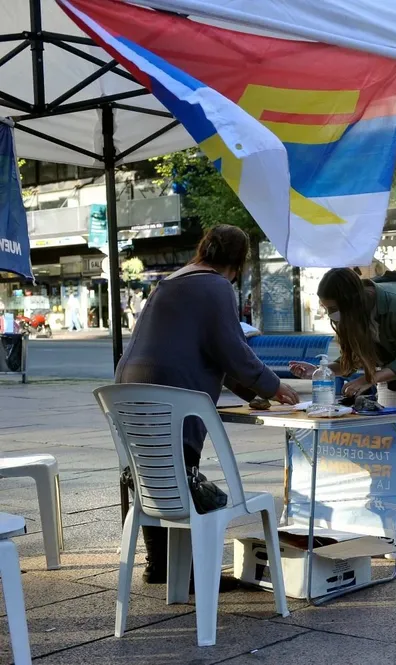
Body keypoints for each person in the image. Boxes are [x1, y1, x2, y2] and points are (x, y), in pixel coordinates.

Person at [115, 224, 299, 584]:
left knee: (150, 473)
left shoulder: (171, 281)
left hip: (127, 390)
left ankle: (160, 564)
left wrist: (254, 394)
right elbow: (233, 350)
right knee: (181, 471)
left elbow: (211, 353)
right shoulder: (216, 286)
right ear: (239, 262)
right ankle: (190, 574)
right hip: (171, 391)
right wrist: (275, 386)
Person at [289, 268, 396, 560]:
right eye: (326, 308)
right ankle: (386, 528)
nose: (330, 314)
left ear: (349, 300)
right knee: (389, 453)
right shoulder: (352, 313)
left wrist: (368, 380)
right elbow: (351, 360)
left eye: (332, 308)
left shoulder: (395, 301)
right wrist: (320, 370)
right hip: (387, 373)